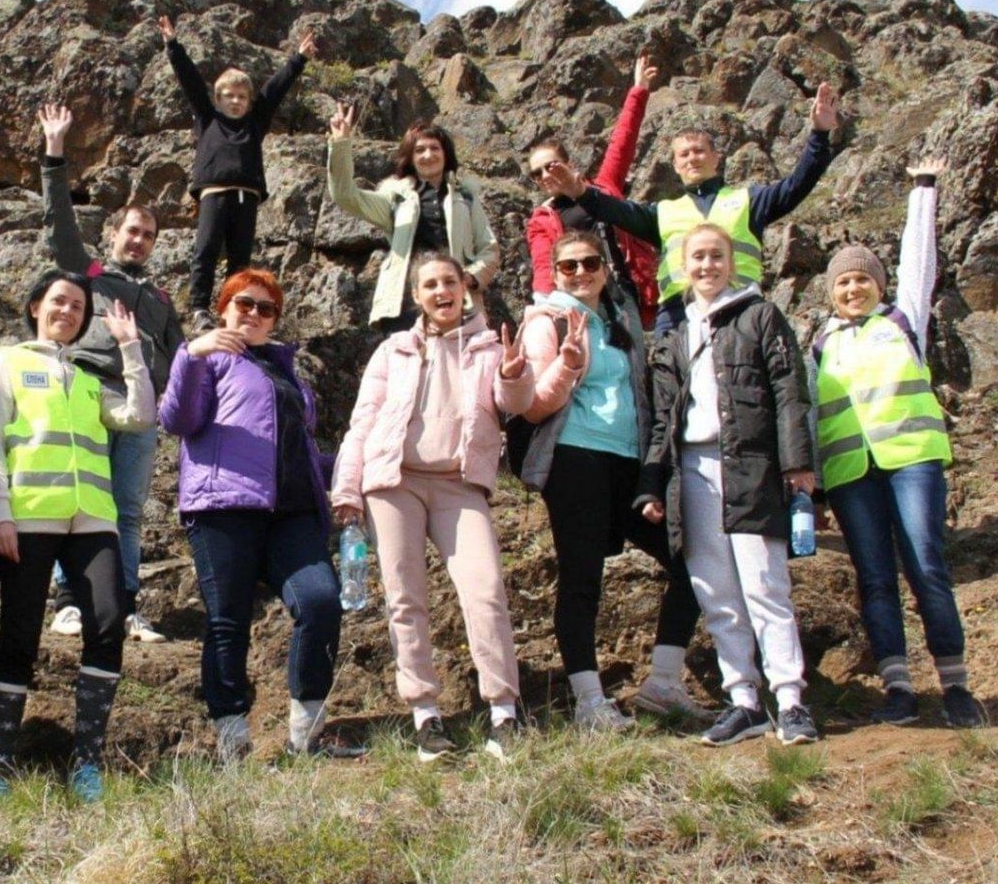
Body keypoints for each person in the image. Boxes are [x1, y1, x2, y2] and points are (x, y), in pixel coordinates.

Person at [332, 252, 533, 760]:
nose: (442, 291)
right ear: (416, 296)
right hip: (392, 483)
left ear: (465, 289)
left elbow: (517, 402)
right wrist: (347, 490)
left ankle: (504, 712)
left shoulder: (490, 346)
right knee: (405, 599)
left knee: (485, 590)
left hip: (458, 484)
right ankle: (425, 715)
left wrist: (513, 374)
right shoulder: (392, 350)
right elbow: (364, 422)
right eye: (430, 285)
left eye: (450, 282)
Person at [812, 158, 982, 729]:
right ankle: (899, 689)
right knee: (875, 579)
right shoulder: (821, 345)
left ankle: (956, 687)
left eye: (862, 278)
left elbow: (920, 263)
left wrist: (923, 192)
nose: (853, 287)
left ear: (880, 286)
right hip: (850, 474)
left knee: (926, 565)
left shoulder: (903, 319)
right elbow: (810, 415)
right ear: (831, 292)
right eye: (843, 281)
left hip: (911, 462)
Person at [518, 232, 711, 731]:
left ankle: (662, 684)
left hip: (629, 461)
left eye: (589, 264)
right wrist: (568, 364)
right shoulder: (547, 321)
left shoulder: (623, 319)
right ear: (555, 273)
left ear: (604, 269)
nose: (580, 273)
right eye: (568, 267)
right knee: (583, 579)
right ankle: (589, 702)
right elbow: (533, 404)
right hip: (575, 459)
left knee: (691, 560)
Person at [638, 225, 819, 746]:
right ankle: (743, 699)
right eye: (697, 257)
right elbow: (661, 422)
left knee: (765, 585)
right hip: (691, 473)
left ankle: (790, 700)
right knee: (715, 591)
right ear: (683, 266)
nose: (707, 266)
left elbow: (790, 391)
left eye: (716, 256)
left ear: (732, 260)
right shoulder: (672, 337)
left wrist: (796, 464)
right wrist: (652, 485)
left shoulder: (760, 316)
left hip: (752, 466)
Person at [0, 271, 155, 802]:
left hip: (93, 520)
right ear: (36, 306)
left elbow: (140, 415)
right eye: (58, 301)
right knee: (19, 636)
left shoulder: (85, 377)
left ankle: (87, 763)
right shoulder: (7, 362)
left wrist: (131, 351)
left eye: (77, 306)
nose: (67, 311)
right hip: (29, 520)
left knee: (107, 621)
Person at [158, 267, 345, 761]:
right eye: (245, 303)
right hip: (224, 507)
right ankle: (232, 737)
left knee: (321, 601)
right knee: (227, 622)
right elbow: (178, 419)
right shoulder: (211, 359)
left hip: (294, 511)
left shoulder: (286, 369)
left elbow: (298, 449)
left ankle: (306, 732)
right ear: (223, 308)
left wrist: (354, 467)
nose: (255, 315)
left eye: (267, 309)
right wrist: (190, 354)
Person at [38, 103, 185, 646]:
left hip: (139, 402)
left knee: (125, 510)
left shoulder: (159, 298)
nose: (139, 240)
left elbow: (179, 356)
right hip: (90, 386)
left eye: (148, 234)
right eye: (132, 231)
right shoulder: (90, 272)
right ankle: (70, 601)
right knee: (80, 497)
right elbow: (58, 224)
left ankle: (124, 607)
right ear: (114, 233)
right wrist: (55, 153)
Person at [540, 82, 840, 327]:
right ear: (675, 165)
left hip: (740, 309)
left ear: (716, 158)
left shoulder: (747, 200)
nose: (692, 158)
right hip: (677, 317)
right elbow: (616, 210)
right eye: (683, 154)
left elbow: (796, 185)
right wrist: (579, 191)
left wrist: (819, 135)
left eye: (699, 151)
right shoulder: (664, 213)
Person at [159, 15, 318, 321]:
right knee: (205, 251)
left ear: (248, 101)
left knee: (240, 260)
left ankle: (234, 309)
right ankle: (199, 308)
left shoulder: (254, 124)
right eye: (229, 96)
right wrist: (173, 46)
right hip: (214, 194)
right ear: (217, 99)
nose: (235, 101)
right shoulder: (208, 119)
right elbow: (190, 81)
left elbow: (274, 90)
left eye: (242, 97)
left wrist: (299, 59)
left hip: (247, 197)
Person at [327, 109, 498, 331]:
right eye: (419, 150)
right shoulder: (396, 198)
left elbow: (490, 249)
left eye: (435, 148)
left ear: (446, 155)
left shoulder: (465, 197)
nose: (428, 155)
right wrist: (341, 144)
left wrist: (471, 277)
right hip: (405, 302)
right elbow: (346, 196)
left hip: (456, 301)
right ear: (411, 157)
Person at [526, 55, 662, 325]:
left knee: (633, 363)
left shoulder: (604, 187)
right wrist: (543, 303)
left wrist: (639, 90)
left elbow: (622, 143)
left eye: (550, 166)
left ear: (568, 164)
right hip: (581, 301)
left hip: (624, 292)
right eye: (537, 173)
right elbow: (544, 263)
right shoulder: (541, 219)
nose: (545, 175)